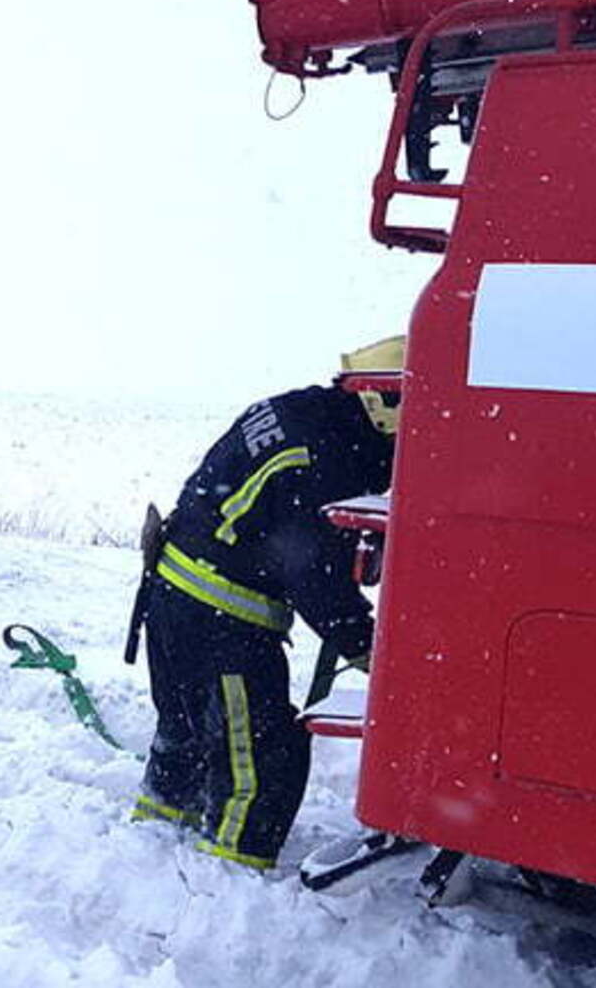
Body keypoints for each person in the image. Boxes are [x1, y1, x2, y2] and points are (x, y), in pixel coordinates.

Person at [127, 336, 404, 871]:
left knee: (187, 734)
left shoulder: (300, 413)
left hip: (176, 594)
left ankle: (152, 840)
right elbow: (313, 573)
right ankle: (231, 875)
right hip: (223, 620)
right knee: (260, 759)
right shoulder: (326, 454)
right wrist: (371, 649)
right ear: (385, 405)